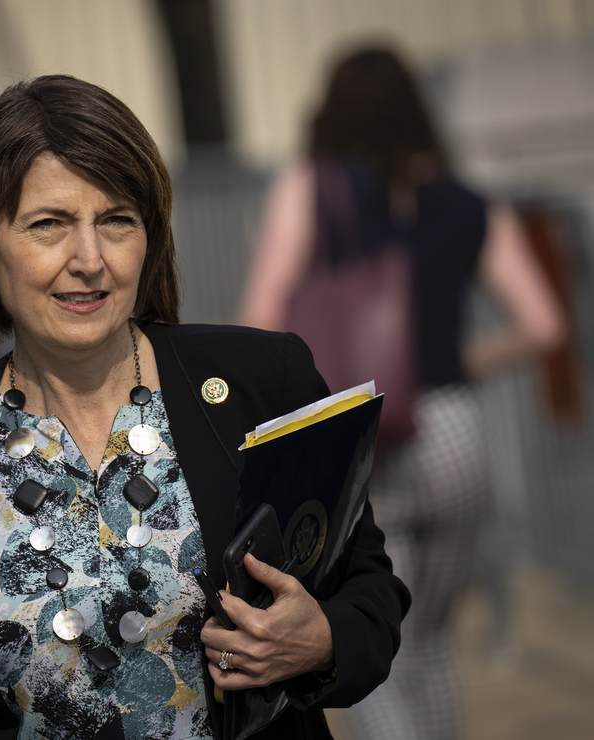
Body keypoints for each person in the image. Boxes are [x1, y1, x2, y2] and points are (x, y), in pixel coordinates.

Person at [0, 74, 409, 740]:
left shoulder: (263, 382)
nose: (89, 259)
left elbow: (371, 594)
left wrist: (323, 639)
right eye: (49, 225)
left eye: (116, 220)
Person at [239, 49, 565, 740]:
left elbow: (261, 318)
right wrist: (455, 361)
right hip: (455, 431)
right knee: (435, 639)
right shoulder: (468, 200)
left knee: (375, 640)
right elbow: (544, 324)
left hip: (364, 434)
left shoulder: (310, 187)